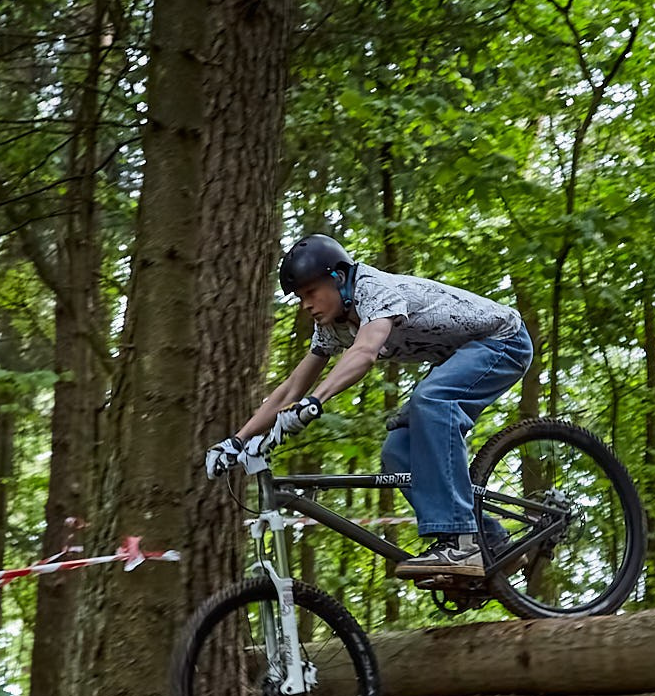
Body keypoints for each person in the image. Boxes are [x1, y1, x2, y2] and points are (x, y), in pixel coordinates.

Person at [206, 233, 533, 578]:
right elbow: (290, 388)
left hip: (502, 341)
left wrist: (316, 401)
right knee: (398, 451)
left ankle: (462, 545)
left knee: (431, 401)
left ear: (338, 277)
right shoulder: (333, 327)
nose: (305, 304)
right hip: (459, 357)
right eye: (300, 297)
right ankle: (492, 540)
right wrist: (237, 440)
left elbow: (364, 352)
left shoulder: (373, 290)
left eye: (310, 293)